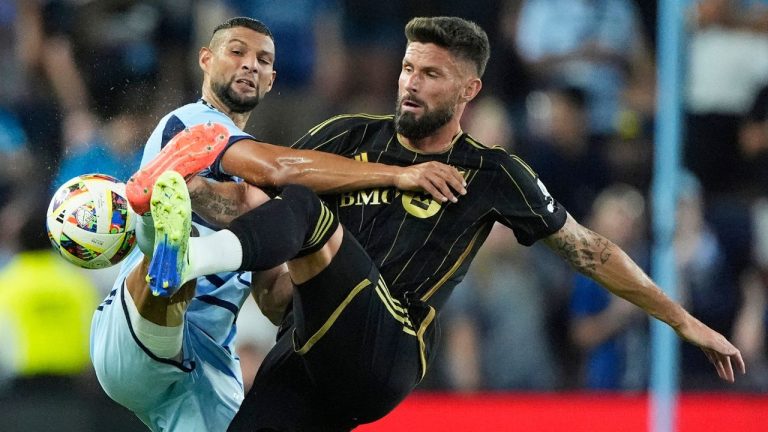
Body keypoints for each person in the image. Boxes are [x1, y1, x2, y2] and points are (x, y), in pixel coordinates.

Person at [134, 16, 745, 431]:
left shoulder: (491, 171)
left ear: (469, 89)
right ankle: (185, 250)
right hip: (310, 354)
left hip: (387, 348)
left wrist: (686, 321)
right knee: (294, 205)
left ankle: (185, 262)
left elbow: (589, 251)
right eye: (406, 68)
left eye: (430, 75)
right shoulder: (347, 137)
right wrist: (188, 198)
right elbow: (247, 204)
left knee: (308, 208)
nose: (410, 85)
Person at [90, 17, 466, 432]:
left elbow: (272, 297)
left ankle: (174, 240)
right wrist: (397, 175)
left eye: (263, 60)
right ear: (206, 59)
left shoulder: (262, 204)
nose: (251, 64)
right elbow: (277, 167)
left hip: (205, 368)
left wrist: (345, 282)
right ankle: (166, 243)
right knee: (177, 256)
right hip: (137, 336)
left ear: (271, 80)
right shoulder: (190, 123)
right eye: (237, 52)